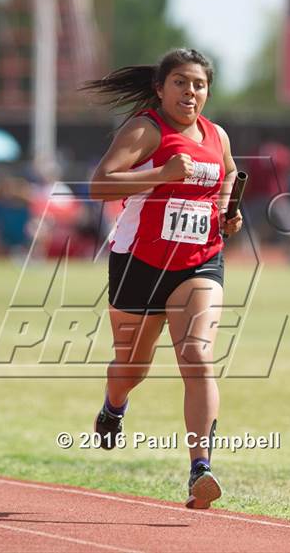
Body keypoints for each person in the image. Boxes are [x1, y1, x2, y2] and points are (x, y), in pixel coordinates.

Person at [84, 48, 243, 509]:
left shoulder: (217, 135)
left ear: (207, 91)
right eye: (180, 83)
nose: (190, 92)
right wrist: (161, 174)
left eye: (198, 84)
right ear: (160, 88)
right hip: (141, 261)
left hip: (199, 261)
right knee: (131, 370)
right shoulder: (145, 129)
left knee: (196, 355)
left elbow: (228, 172)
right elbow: (99, 184)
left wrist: (226, 211)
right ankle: (114, 406)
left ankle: (201, 469)